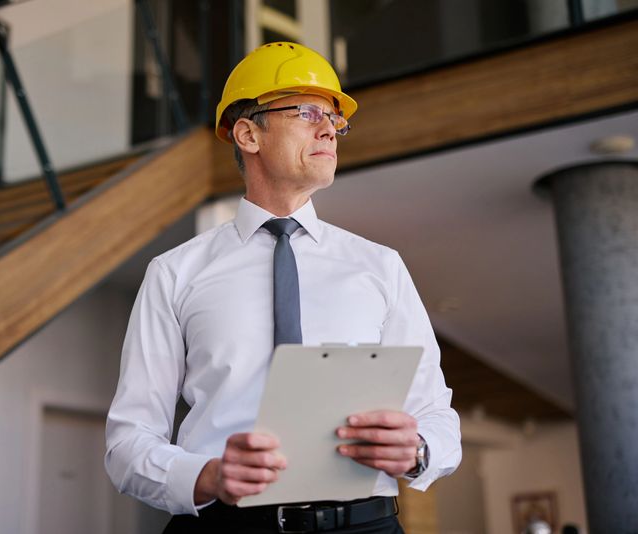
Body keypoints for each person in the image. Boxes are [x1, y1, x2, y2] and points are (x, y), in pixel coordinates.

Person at [105, 42, 461, 533]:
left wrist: (419, 451)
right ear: (248, 134)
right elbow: (128, 443)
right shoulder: (174, 273)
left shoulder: (380, 266)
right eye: (309, 112)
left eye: (336, 120)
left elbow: (435, 414)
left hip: (364, 525)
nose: (329, 130)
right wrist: (207, 476)